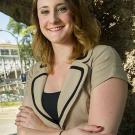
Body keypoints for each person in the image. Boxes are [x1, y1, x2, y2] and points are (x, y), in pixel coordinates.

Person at [15, 0, 128, 135]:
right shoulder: (36, 70)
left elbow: (102, 133)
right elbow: (23, 131)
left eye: (62, 9)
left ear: (76, 13)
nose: (53, 19)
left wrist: (43, 129)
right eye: (45, 11)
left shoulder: (102, 57)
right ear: (38, 19)